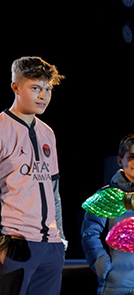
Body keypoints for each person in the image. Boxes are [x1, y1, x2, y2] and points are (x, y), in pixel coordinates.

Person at [0, 56, 66, 295]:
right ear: (15, 87)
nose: (43, 96)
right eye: (36, 88)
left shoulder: (48, 132)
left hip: (51, 247)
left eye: (47, 89)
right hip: (14, 243)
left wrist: (61, 240)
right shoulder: (1, 127)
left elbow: (54, 190)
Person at [81, 133, 134, 295]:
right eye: (133, 156)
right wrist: (104, 267)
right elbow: (89, 233)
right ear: (120, 160)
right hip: (116, 284)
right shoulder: (107, 195)